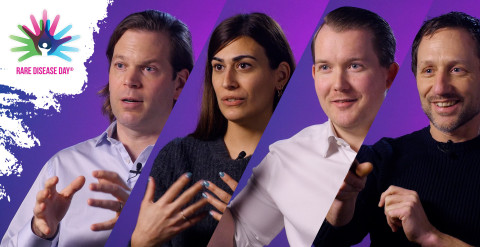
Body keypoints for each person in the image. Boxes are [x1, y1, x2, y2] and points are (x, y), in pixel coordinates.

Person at [208, 6, 399, 247]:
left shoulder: (425, 146)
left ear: (389, 75)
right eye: (325, 67)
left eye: (355, 66)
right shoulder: (287, 156)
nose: (338, 85)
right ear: (314, 73)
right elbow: (238, 238)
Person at [1, 10, 192, 247]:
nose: (129, 80)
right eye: (120, 65)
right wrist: (39, 232)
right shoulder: (62, 166)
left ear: (179, 83)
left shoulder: (206, 168)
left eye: (149, 68)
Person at [315, 11, 480, 247]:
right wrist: (340, 202)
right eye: (428, 70)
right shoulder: (380, 159)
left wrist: (431, 237)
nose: (440, 88)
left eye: (457, 70)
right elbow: (328, 241)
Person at [130, 13, 295, 247]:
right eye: (218, 67)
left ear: (281, 75)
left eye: (243, 65)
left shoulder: (298, 162)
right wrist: (141, 242)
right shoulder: (178, 156)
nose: (227, 81)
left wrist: (250, 230)